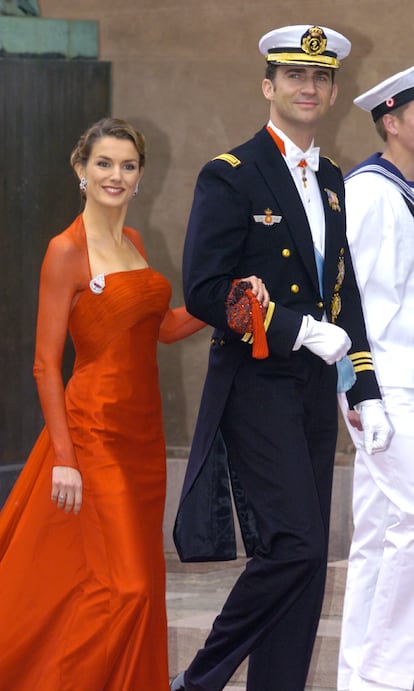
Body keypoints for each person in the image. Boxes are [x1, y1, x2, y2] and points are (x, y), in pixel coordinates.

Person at [171, 25, 392, 691]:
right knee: (293, 545)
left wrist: (364, 388)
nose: (309, 86)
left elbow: (344, 293)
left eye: (321, 77)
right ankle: (200, 679)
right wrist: (295, 327)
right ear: (268, 86)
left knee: (303, 556)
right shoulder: (230, 174)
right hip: (255, 381)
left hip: (313, 387)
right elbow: (207, 291)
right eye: (295, 75)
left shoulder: (330, 178)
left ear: (332, 90)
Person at [0, 116, 205, 690]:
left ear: (141, 176)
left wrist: (221, 306)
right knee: (129, 587)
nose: (117, 175)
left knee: (129, 587)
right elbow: (45, 363)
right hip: (94, 436)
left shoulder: (136, 242)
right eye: (104, 164)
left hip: (144, 440)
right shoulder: (65, 251)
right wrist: (63, 456)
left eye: (129, 165)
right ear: (81, 170)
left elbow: (159, 328)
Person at [337, 67, 414, 691]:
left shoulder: (406, 190)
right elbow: (346, 298)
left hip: (406, 379)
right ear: (391, 121)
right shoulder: (370, 191)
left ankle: (358, 678)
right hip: (385, 384)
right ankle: (390, 675)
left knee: (380, 533)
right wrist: (356, 388)